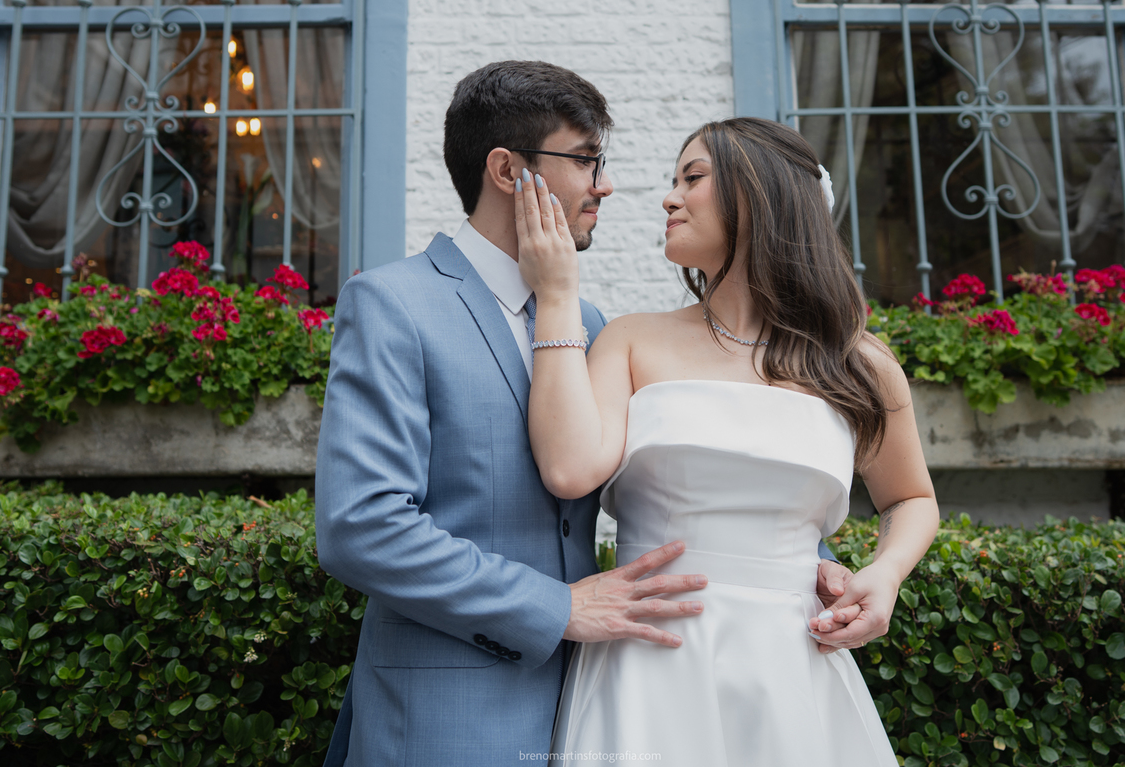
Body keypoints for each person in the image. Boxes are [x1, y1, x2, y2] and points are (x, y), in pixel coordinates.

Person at [314, 63, 856, 766]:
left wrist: (808, 563)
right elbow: (362, 527)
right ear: (508, 171)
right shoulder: (394, 304)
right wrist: (559, 609)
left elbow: (684, 474)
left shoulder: (592, 324)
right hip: (448, 722)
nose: (605, 185)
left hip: (612, 709)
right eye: (586, 161)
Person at [516, 116, 940, 765]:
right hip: (651, 656)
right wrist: (556, 293)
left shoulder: (860, 363)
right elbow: (571, 470)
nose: (668, 197)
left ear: (761, 195)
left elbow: (910, 497)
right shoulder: (631, 340)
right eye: (672, 181)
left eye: (693, 178)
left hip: (793, 659)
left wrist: (884, 576)